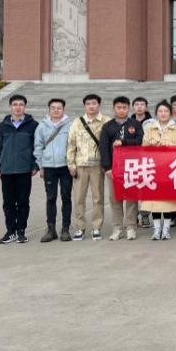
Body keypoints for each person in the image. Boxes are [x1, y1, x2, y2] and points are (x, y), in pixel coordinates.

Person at [0, 94, 39, 244]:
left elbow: (37, 147)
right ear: (10, 107)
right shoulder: (3, 126)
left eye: (21, 104)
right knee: (8, 203)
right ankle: (10, 231)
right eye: (15, 104)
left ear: (25, 107)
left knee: (23, 202)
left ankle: (21, 231)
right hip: (6, 170)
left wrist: (35, 165)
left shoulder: (33, 125)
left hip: (24, 170)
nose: (18, 107)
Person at [67, 94, 110, 241]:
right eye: (88, 104)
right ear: (84, 106)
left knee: (98, 198)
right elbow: (71, 144)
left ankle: (96, 227)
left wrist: (107, 164)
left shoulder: (106, 121)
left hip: (98, 165)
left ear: (99, 105)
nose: (91, 106)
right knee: (79, 198)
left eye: (94, 103)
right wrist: (71, 164)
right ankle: (80, 228)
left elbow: (109, 145)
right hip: (80, 166)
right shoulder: (77, 122)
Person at [100, 96, 144, 241]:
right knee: (115, 198)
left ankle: (131, 227)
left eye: (124, 107)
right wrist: (107, 167)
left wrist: (123, 142)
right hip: (114, 168)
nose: (121, 110)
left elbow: (139, 141)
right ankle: (117, 228)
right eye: (118, 107)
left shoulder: (135, 124)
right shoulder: (107, 126)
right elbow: (103, 148)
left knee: (131, 198)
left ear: (128, 108)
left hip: (131, 167)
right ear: (113, 108)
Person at [140, 101, 176, 240]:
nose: (163, 114)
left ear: (170, 113)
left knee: (168, 200)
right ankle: (156, 230)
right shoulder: (150, 128)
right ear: (156, 113)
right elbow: (143, 147)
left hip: (169, 168)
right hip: (153, 168)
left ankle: (166, 230)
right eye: (160, 111)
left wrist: (168, 145)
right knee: (154, 201)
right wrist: (150, 144)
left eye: (166, 111)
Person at [33, 98, 72, 243]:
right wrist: (41, 166)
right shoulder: (42, 126)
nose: (56, 110)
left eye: (59, 108)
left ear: (63, 110)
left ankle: (65, 229)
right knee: (51, 198)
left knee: (66, 197)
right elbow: (38, 146)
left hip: (66, 166)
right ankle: (51, 229)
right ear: (49, 109)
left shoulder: (70, 125)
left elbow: (73, 145)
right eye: (53, 108)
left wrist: (72, 164)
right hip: (49, 167)